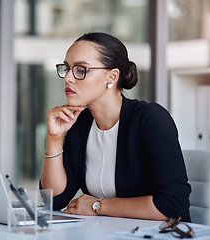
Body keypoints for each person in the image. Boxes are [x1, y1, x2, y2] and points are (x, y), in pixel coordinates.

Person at [40, 32, 191, 222]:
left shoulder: (150, 119)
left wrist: (98, 206)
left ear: (112, 76)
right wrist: (54, 138)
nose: (68, 78)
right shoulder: (81, 124)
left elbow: (173, 206)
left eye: (81, 69)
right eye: (67, 68)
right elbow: (53, 199)